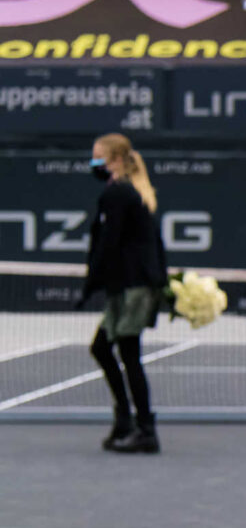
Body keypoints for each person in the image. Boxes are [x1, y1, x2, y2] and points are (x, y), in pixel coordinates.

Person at [79, 133, 167, 454]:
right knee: (103, 348)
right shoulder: (127, 194)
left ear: (115, 160)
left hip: (133, 289)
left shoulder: (120, 195)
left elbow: (107, 244)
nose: (94, 164)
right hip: (130, 287)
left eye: (98, 158)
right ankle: (126, 420)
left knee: (127, 355)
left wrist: (90, 284)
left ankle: (144, 429)